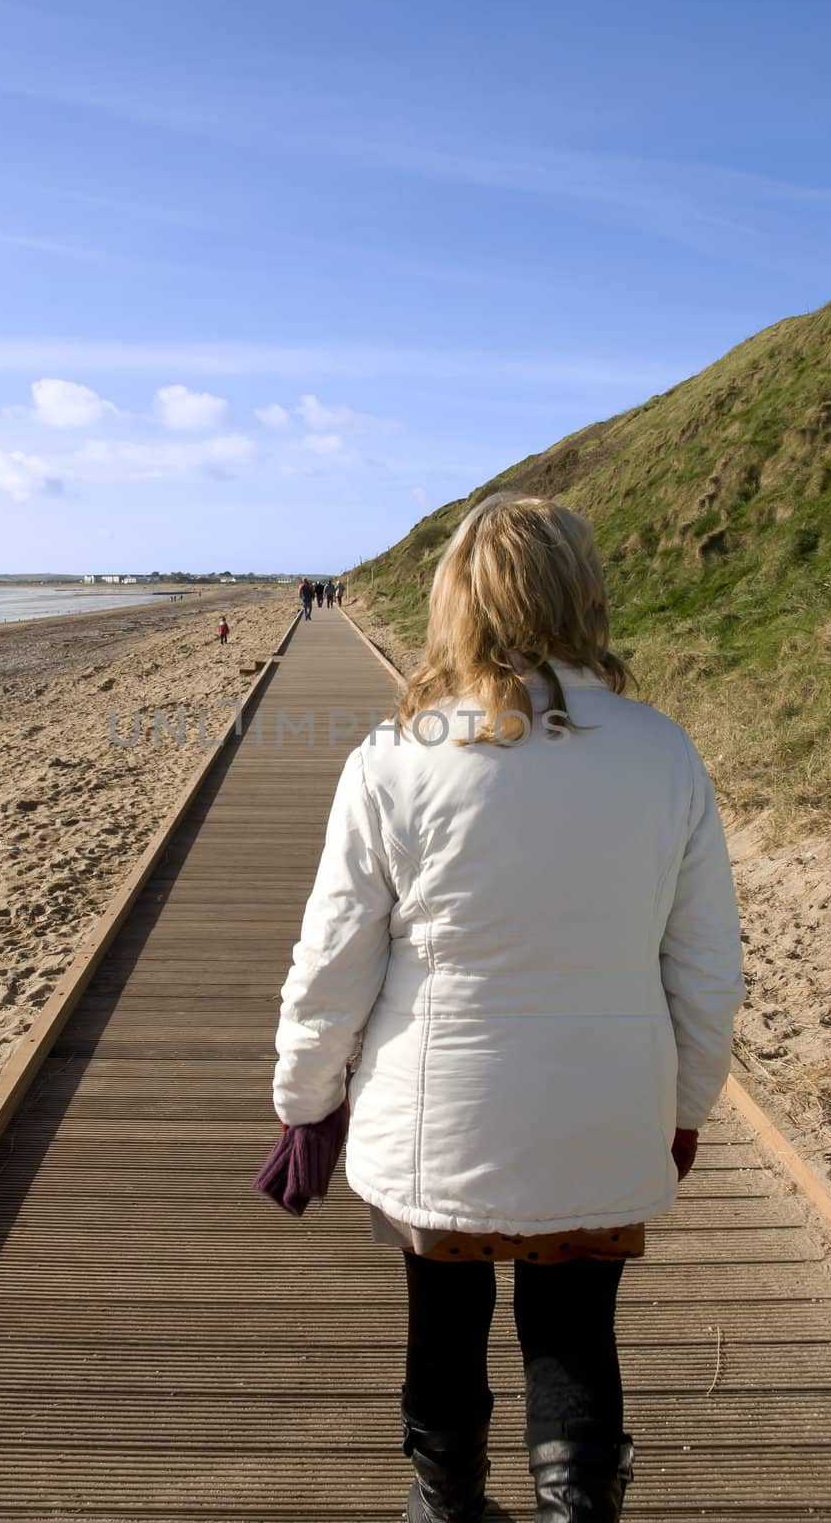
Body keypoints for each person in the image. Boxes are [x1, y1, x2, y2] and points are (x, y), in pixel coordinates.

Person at [271, 493, 745, 1523]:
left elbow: (333, 959)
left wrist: (304, 1100)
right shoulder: (661, 752)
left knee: (441, 1323)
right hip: (605, 1111)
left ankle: (442, 1504)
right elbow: (706, 966)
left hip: (436, 1118)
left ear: (453, 603)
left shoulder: (392, 757)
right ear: (582, 597)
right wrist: (684, 1109)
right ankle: (577, 1503)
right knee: (574, 1330)